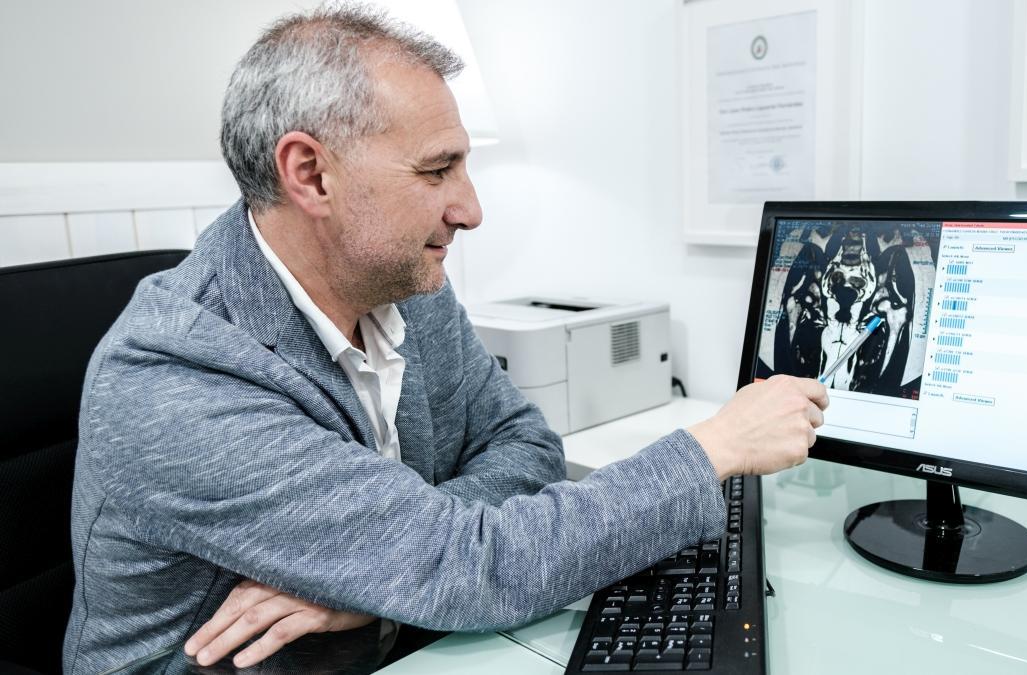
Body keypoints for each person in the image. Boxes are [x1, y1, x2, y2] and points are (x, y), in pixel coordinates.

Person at [62, 5, 829, 673]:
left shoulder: (401, 285)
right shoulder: (176, 382)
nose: (469, 209)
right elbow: (475, 561)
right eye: (438, 170)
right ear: (310, 174)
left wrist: (376, 577)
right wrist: (713, 446)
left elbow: (526, 446)